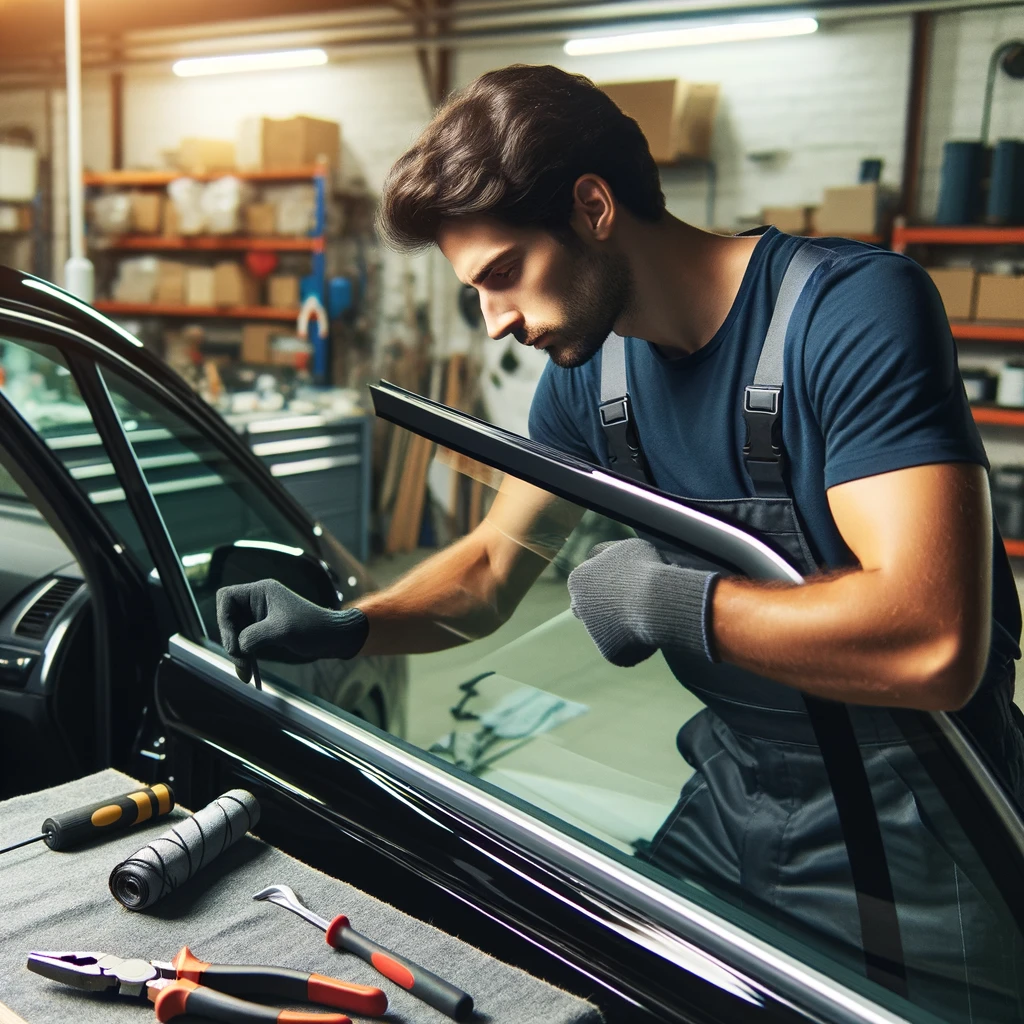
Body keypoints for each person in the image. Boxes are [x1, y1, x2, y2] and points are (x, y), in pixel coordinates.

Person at [219, 65, 1024, 1015]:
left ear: (593, 206)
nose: (496, 321)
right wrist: (347, 626)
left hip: (918, 829)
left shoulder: (848, 314)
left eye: (504, 274)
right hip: (733, 791)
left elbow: (931, 638)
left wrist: (669, 602)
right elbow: (487, 570)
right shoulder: (592, 376)